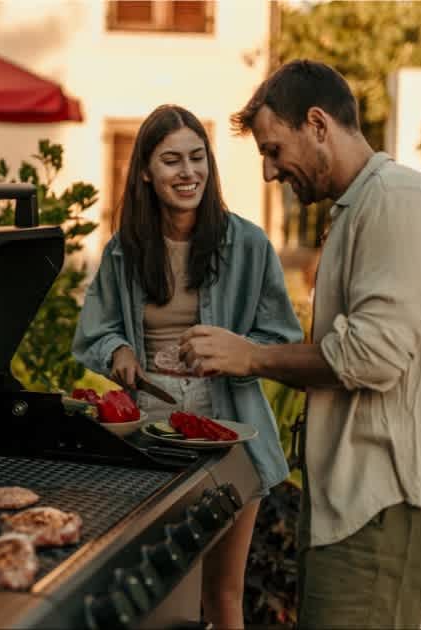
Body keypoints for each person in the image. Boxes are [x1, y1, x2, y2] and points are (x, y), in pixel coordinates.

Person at [180, 59, 421, 628]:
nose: (268, 173)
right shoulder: (360, 208)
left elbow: (369, 356)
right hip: (361, 504)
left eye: (272, 150)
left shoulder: (396, 200)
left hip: (386, 503)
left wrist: (251, 356)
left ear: (317, 124)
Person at [72, 104, 303, 628]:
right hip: (151, 432)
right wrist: (119, 353)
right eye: (172, 160)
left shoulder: (248, 244)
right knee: (162, 597)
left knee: (222, 596)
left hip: (230, 430)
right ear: (147, 174)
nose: (188, 172)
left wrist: (234, 353)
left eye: (197, 157)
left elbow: (281, 339)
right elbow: (94, 331)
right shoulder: (124, 251)